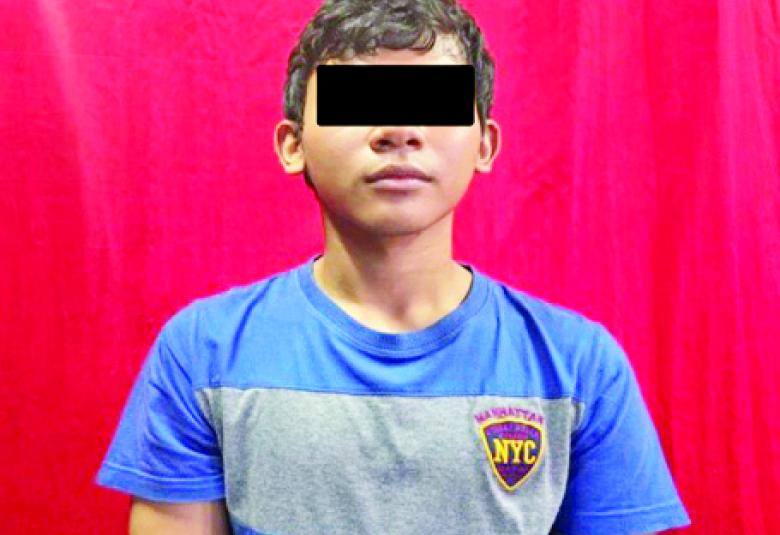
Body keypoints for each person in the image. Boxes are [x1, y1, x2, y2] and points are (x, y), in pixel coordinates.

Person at [95, 1, 692, 534]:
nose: (399, 131)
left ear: (485, 144)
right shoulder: (202, 353)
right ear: (293, 144)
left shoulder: (578, 366)